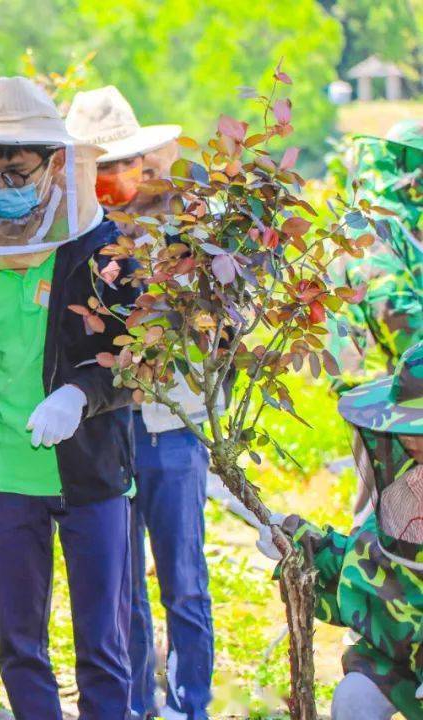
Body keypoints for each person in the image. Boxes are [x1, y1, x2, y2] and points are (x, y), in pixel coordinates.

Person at [0, 76, 140, 719]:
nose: (2, 183)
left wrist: (80, 394)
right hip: (3, 472)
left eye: (16, 170)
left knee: (103, 641)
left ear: (54, 164)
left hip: (90, 468)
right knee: (19, 641)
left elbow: (134, 352)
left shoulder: (101, 248)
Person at [67, 85, 214, 720]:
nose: (110, 179)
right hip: (107, 427)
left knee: (182, 580)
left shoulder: (182, 230)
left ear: (141, 162)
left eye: (118, 164)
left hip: (172, 423)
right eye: (96, 168)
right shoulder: (68, 239)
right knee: (121, 585)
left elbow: (216, 324)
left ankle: (190, 705)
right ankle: (132, 705)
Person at [262, 340, 423, 720]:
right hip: (403, 650)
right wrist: (301, 542)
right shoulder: (406, 488)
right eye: (406, 427)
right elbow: (371, 563)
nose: (411, 439)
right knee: (354, 700)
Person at [326, 119, 422, 523]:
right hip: (385, 402)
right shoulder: (372, 231)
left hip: (398, 395)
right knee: (388, 516)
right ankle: (358, 584)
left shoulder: (393, 224)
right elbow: (394, 313)